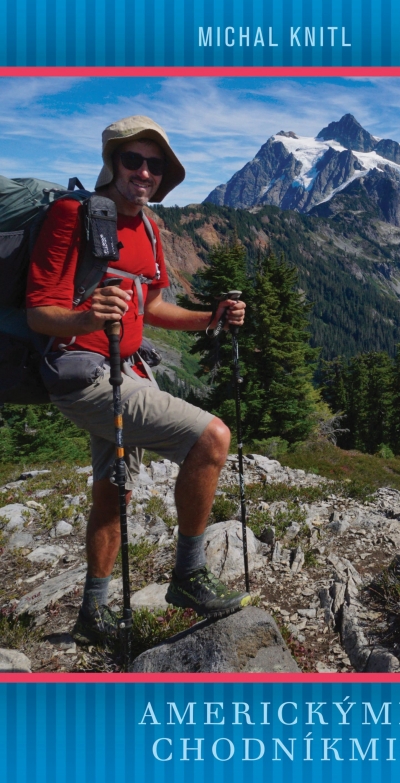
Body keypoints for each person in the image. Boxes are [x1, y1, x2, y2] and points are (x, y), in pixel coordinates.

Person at [26, 115, 251, 645]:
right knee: (211, 437)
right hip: (82, 376)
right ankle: (189, 577)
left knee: (112, 495)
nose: (144, 172)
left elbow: (149, 305)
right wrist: (85, 319)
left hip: (125, 371)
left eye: (154, 165)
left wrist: (209, 318)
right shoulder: (70, 215)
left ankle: (92, 613)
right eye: (134, 160)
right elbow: (39, 311)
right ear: (112, 161)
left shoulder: (148, 225)